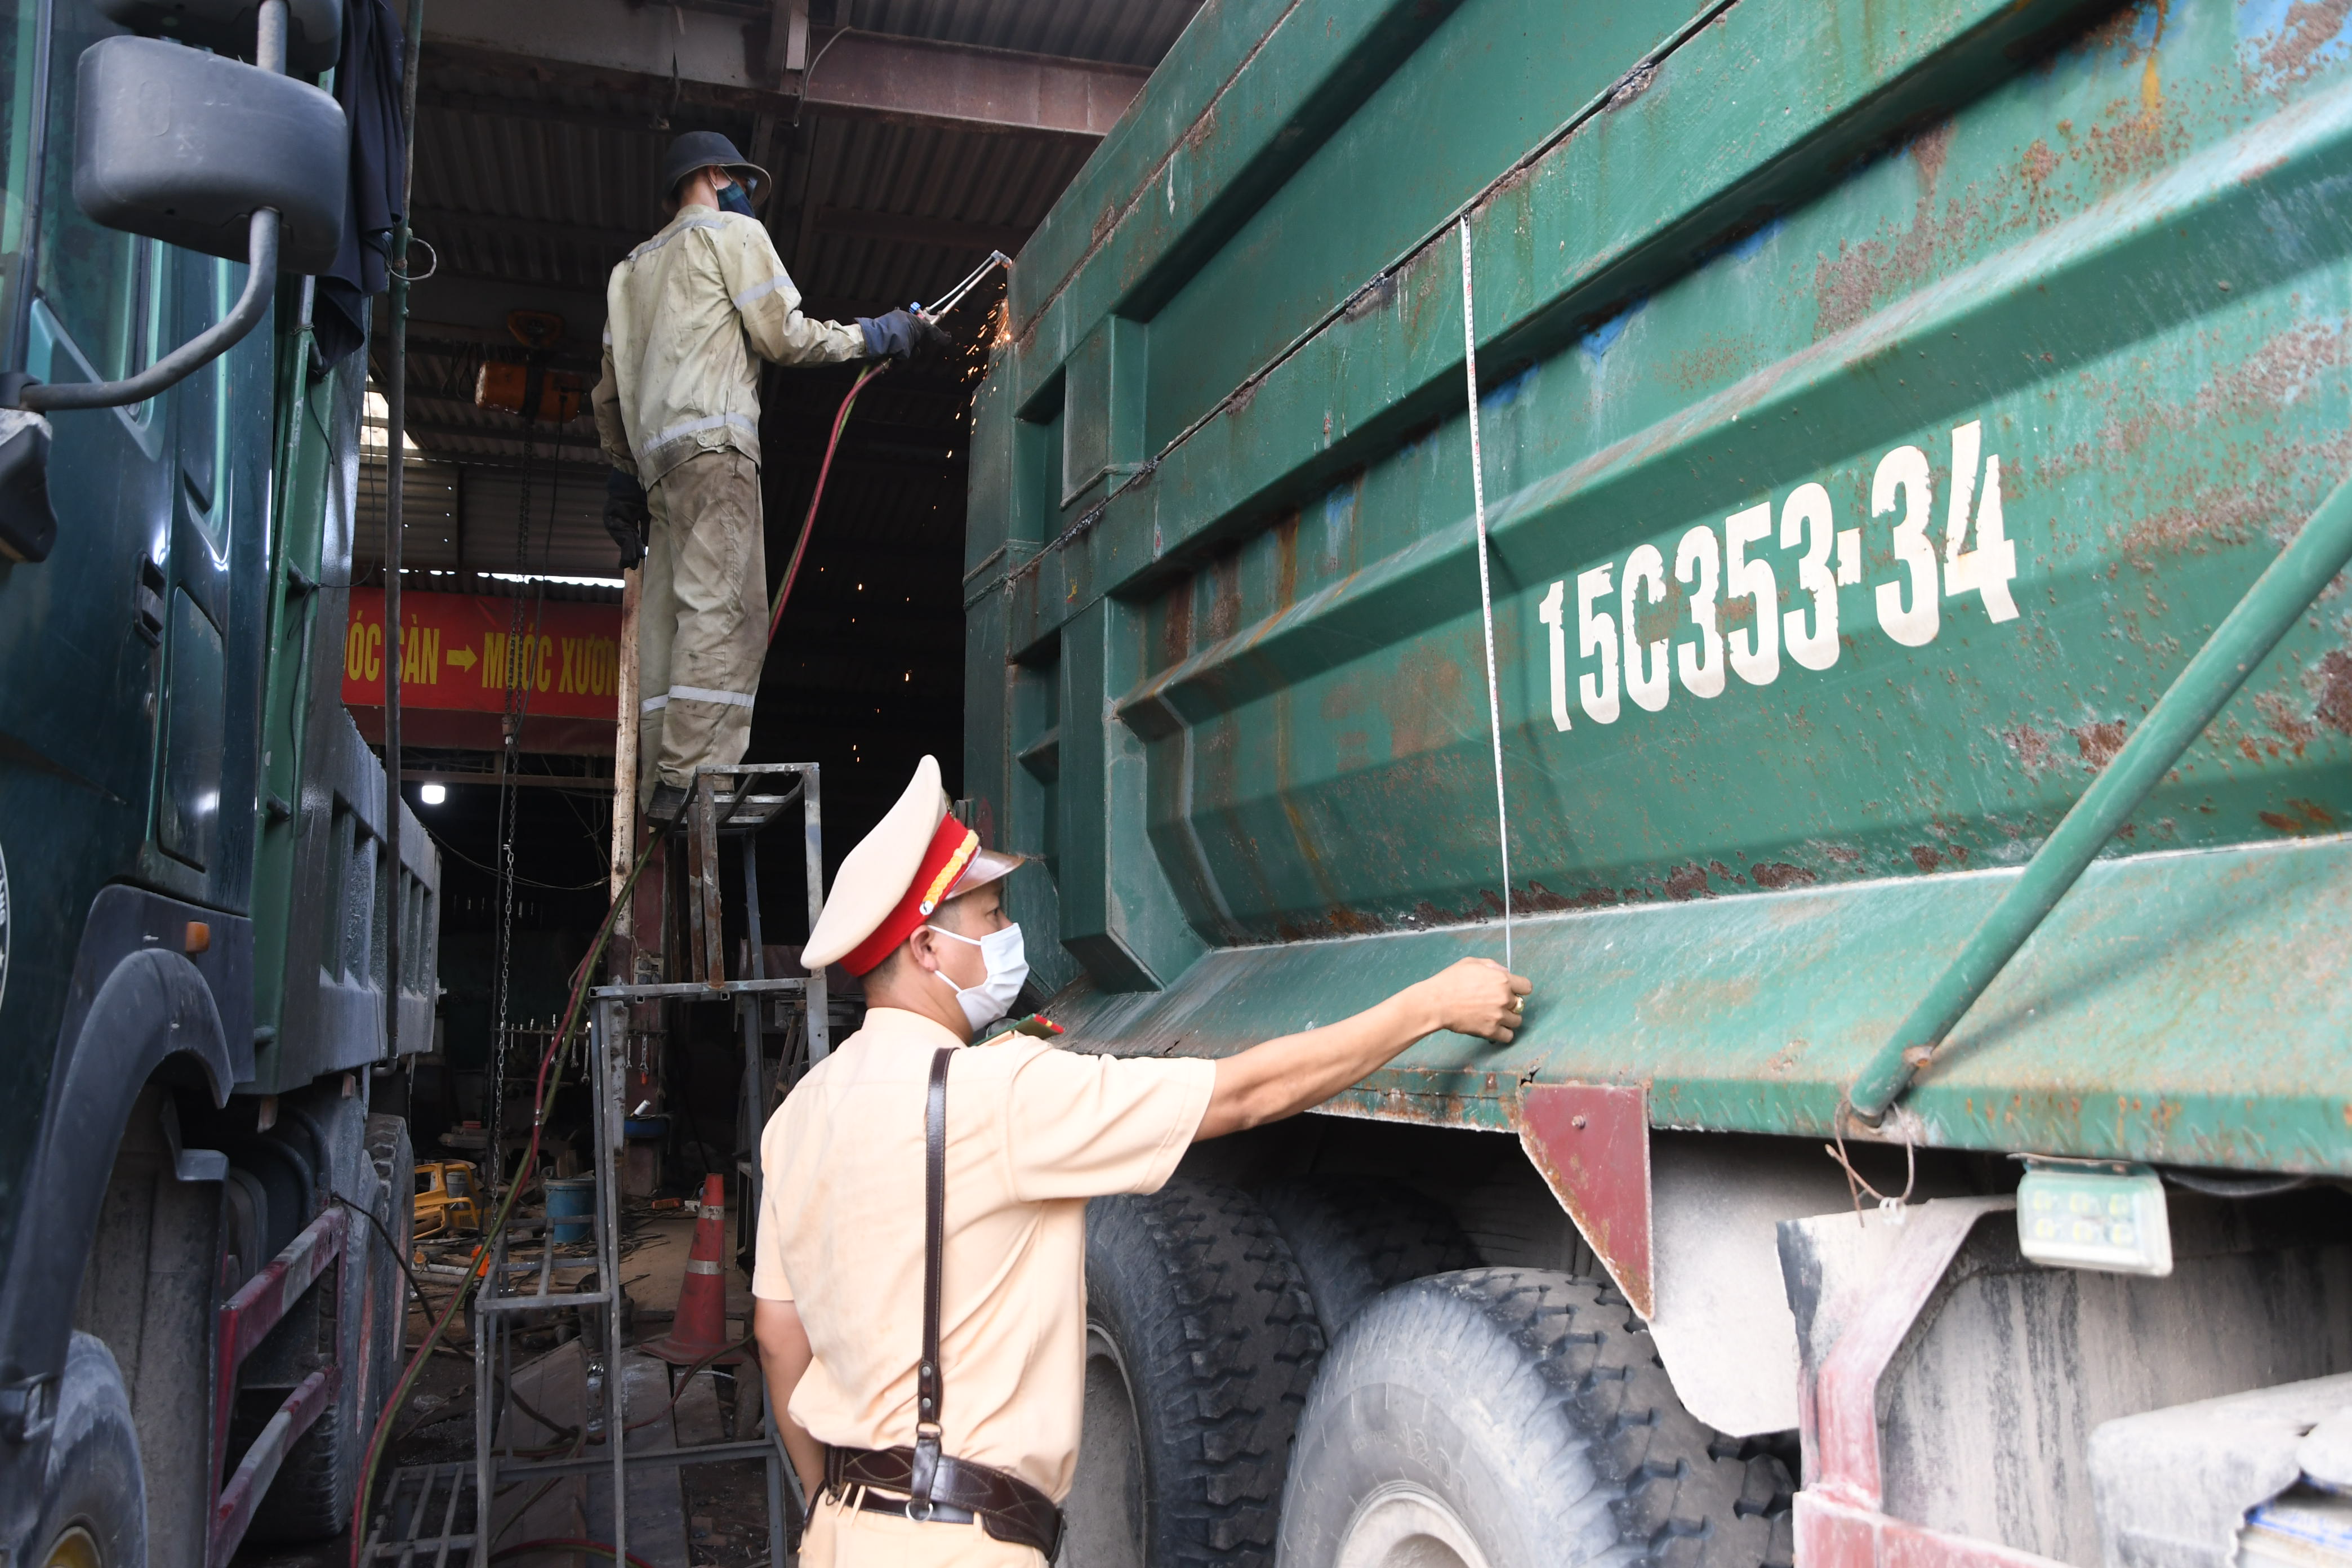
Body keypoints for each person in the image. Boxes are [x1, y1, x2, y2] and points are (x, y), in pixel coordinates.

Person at [750, 755, 1531, 1566]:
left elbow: (779, 1336)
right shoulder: (1000, 1093)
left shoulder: (800, 1115)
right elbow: (1242, 1097)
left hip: (840, 1537)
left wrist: (824, 1505)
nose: (1005, 937)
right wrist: (1429, 1006)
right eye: (986, 918)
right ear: (925, 949)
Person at [591, 131, 947, 823]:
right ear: (717, 175)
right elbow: (786, 336)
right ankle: (696, 782)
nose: (746, 196)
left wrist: (621, 479)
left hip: (658, 467)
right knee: (726, 615)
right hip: (718, 449)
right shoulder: (732, 234)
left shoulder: (629, 272)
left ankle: (660, 781)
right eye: (740, 184)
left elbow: (608, 390)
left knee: (671, 616)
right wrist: (879, 334)